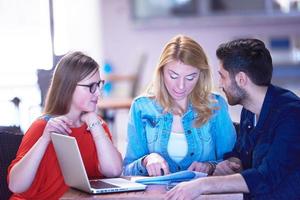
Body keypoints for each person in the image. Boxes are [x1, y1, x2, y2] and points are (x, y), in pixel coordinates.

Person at [165, 38, 300, 200]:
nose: (220, 84)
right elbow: (241, 155)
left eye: (222, 76)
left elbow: (266, 177)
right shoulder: (249, 111)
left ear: (241, 79)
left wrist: (202, 185)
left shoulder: (291, 114)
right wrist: (232, 163)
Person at [7, 52, 123, 200]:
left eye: (99, 84)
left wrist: (94, 123)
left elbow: (114, 170)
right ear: (68, 87)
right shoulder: (42, 127)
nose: (98, 92)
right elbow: (16, 186)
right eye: (91, 86)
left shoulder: (96, 125)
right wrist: (44, 139)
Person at [123, 35, 236, 177]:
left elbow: (233, 163)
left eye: (190, 77)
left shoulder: (215, 105)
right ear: (161, 72)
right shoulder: (141, 107)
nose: (181, 86)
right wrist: (147, 160)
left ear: (201, 75)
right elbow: (127, 170)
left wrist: (210, 167)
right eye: (173, 76)